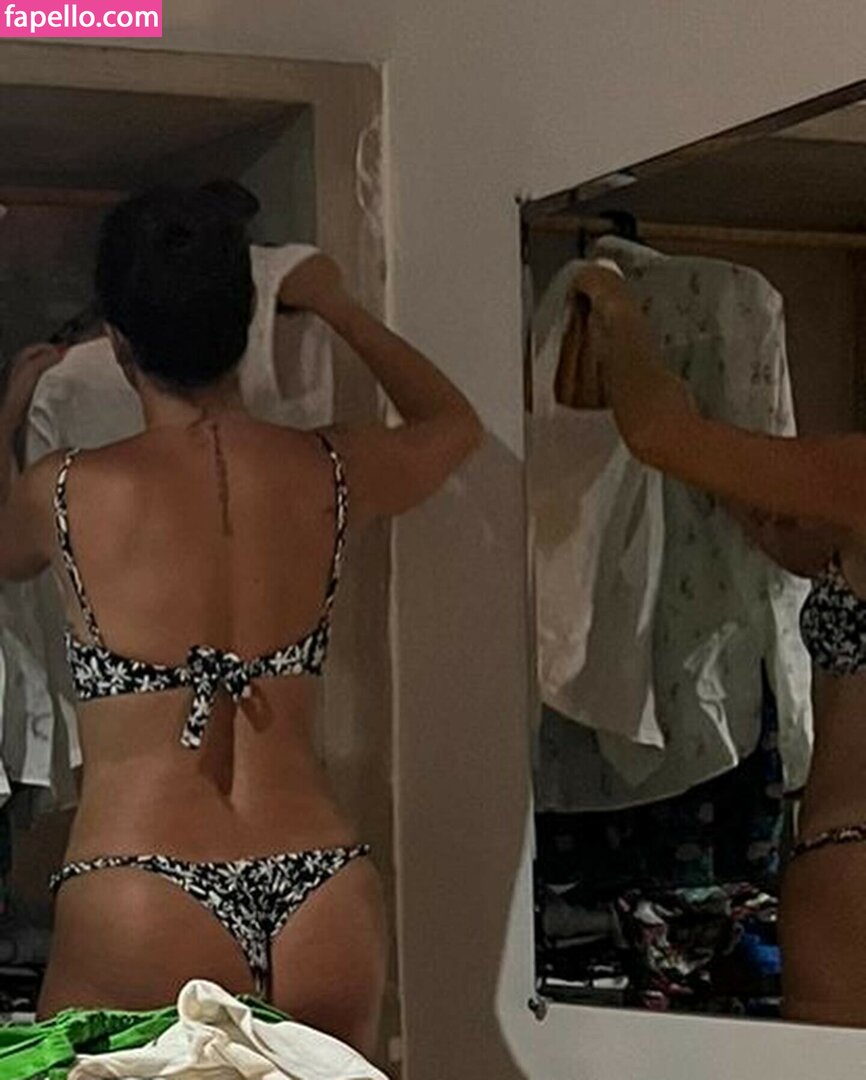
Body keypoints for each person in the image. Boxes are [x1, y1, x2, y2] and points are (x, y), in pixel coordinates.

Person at [0, 185, 482, 1055]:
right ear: (244, 320)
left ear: (118, 342)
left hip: (140, 882)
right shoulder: (332, 469)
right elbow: (452, 426)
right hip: (321, 887)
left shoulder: (64, 491)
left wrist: (9, 408)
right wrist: (335, 304)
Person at [556, 263, 866, 1026]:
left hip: (851, 859)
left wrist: (618, 308)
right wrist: (736, 485)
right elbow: (793, 543)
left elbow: (660, 435)